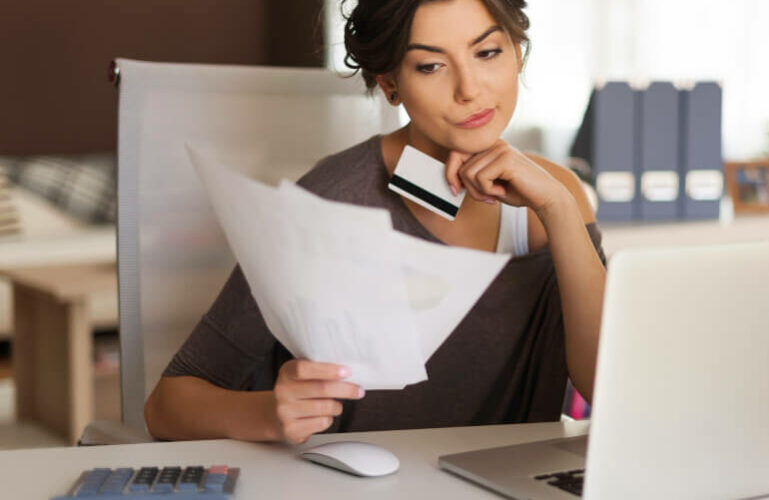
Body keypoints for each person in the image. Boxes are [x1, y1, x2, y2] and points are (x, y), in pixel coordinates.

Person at [144, 0, 607, 444]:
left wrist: (560, 207)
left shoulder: (553, 196)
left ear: (518, 54)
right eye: (430, 66)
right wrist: (268, 414)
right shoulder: (333, 197)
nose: (470, 88)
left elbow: (606, 385)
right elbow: (168, 403)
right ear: (389, 84)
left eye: (487, 52)